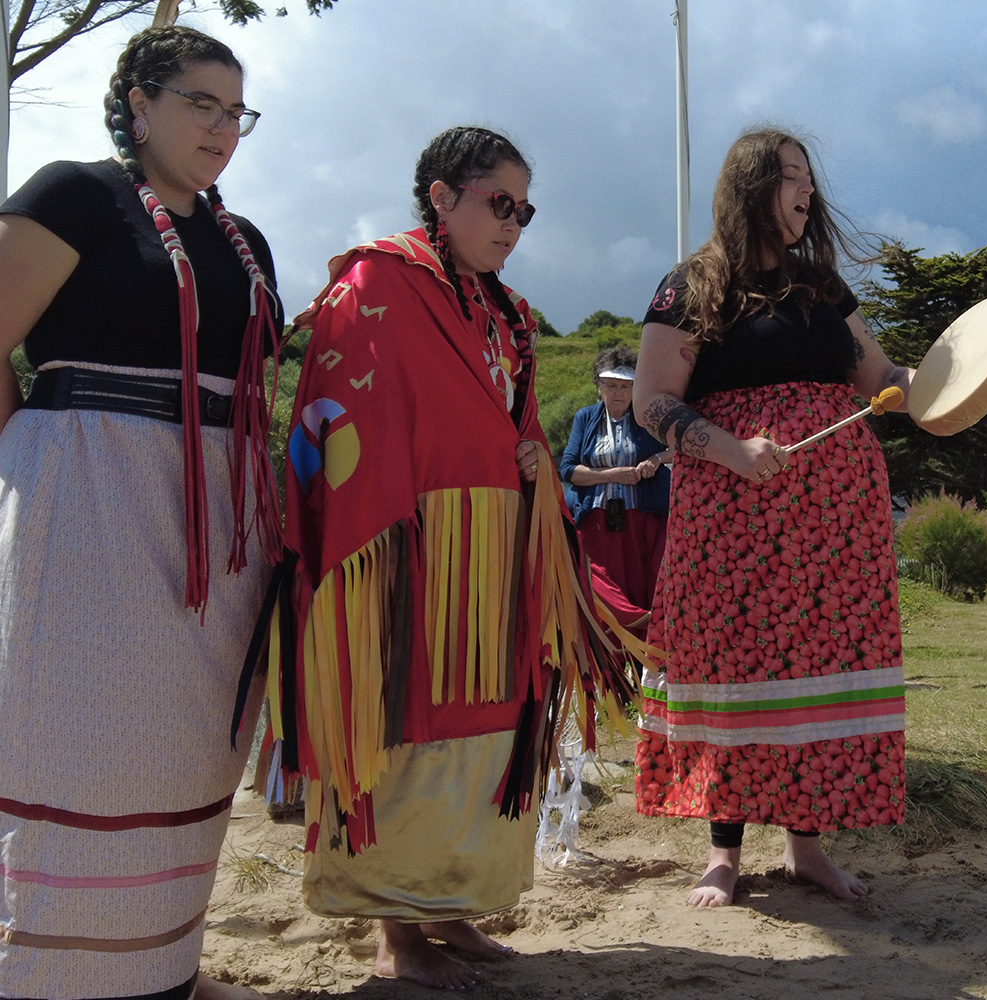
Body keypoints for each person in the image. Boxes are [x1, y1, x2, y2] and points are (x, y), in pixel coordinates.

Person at [271, 125, 635, 990]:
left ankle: (447, 907)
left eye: (525, 211)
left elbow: (517, 422)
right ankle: (397, 932)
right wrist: (385, 545)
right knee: (408, 722)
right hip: (405, 551)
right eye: (499, 203)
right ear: (441, 195)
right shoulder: (376, 283)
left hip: (495, 554)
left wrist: (533, 459)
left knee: (485, 729)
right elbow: (342, 414)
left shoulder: (507, 314)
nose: (513, 224)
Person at [0, 26, 282, 1000]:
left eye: (236, 111)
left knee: (187, 744)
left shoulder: (245, 241)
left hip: (219, 517)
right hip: (86, 496)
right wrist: (32, 458)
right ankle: (45, 972)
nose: (222, 127)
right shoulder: (73, 196)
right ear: (139, 105)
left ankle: (165, 963)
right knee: (73, 735)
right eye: (201, 103)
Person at [633, 127, 915, 909]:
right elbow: (653, 401)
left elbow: (880, 377)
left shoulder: (821, 287)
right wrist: (729, 449)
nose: (808, 189)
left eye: (808, 176)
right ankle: (723, 853)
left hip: (834, 526)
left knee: (814, 670)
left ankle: (806, 850)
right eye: (791, 175)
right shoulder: (692, 285)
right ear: (753, 188)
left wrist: (956, 377)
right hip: (733, 519)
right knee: (732, 666)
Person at [561, 345, 671, 620]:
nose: (617, 393)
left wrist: (656, 459)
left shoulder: (647, 417)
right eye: (610, 385)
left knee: (644, 581)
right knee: (601, 581)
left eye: (624, 386)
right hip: (596, 517)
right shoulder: (586, 417)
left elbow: (680, 446)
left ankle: (647, 637)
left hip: (643, 517)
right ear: (599, 387)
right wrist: (612, 475)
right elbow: (568, 470)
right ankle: (611, 637)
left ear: (635, 387)